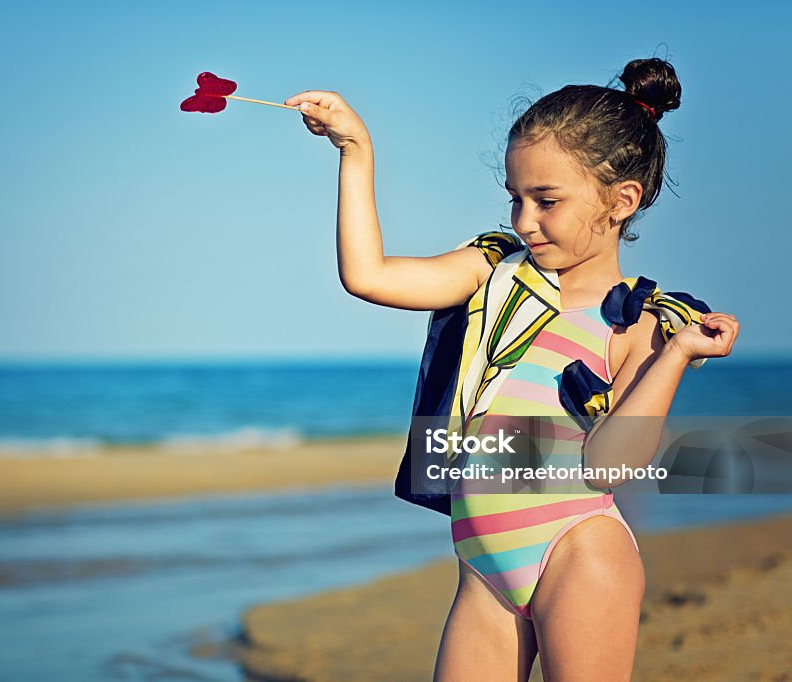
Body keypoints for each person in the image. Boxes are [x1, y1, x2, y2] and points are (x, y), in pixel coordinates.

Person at [284, 57, 740, 682]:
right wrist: (355, 151)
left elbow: (610, 465)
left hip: (578, 553)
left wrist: (678, 356)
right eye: (516, 199)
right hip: (483, 569)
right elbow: (368, 276)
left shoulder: (638, 323)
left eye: (547, 201)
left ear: (620, 201)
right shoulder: (493, 276)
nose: (524, 220)